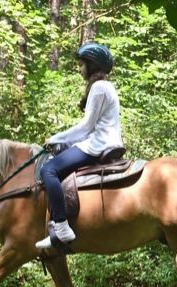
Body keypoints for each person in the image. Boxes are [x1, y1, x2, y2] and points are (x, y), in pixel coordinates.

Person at [36, 42, 124, 249]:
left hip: (99, 144)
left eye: (82, 64)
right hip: (100, 140)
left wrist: (56, 138)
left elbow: (86, 126)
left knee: (48, 170)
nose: (80, 68)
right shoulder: (104, 86)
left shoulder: (99, 88)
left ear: (92, 65)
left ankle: (61, 226)